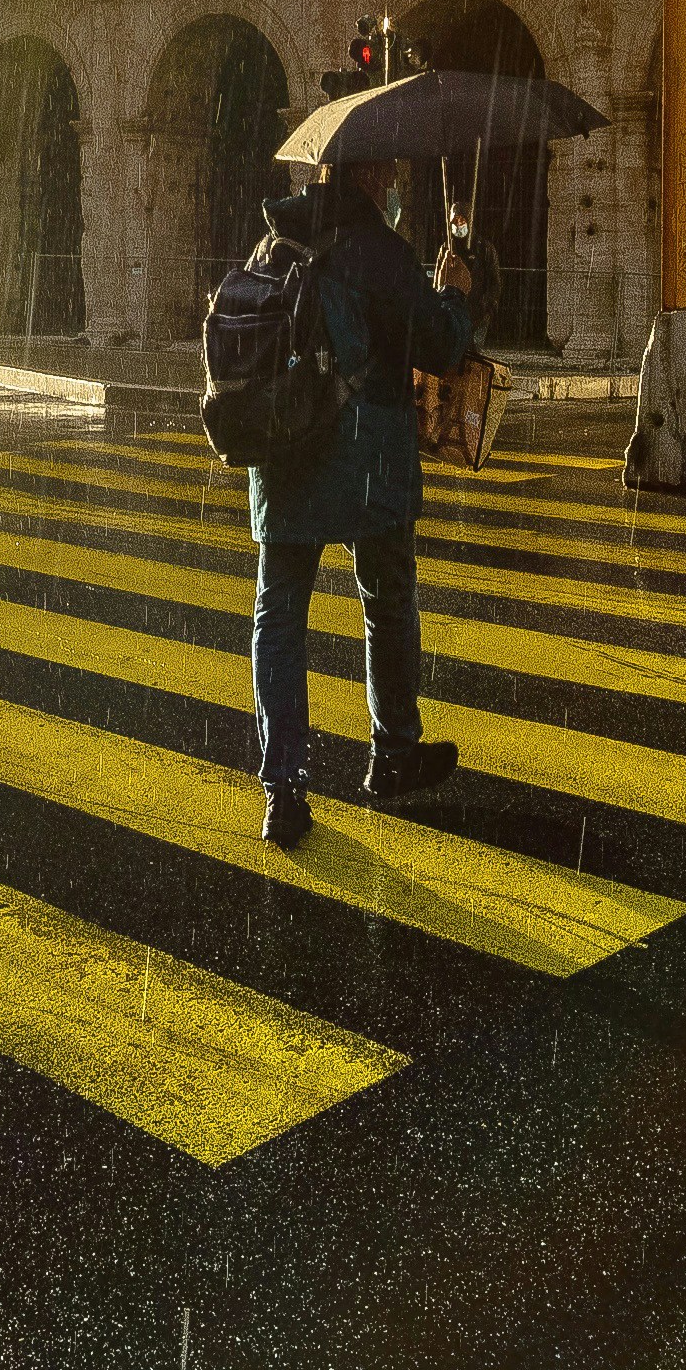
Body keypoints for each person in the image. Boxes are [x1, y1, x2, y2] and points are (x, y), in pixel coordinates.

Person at [248, 155, 474, 851]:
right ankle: (392, 752)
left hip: (283, 446)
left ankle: (283, 787)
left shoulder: (273, 242)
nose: (397, 183)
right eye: (392, 172)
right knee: (385, 599)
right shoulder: (379, 249)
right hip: (366, 452)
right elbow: (438, 345)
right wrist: (455, 293)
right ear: (371, 178)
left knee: (279, 613)